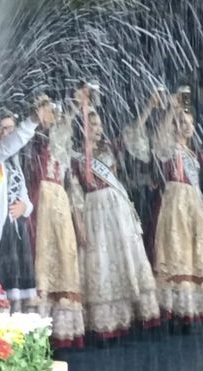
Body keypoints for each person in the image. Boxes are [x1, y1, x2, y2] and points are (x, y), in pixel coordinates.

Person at [71, 88, 160, 339]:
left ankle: (129, 315)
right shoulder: (75, 157)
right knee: (101, 261)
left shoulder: (109, 148)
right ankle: (105, 322)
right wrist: (79, 223)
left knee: (124, 259)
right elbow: (75, 193)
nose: (98, 128)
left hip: (117, 210)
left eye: (99, 124)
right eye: (93, 124)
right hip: (94, 211)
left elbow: (132, 134)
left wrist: (149, 107)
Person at [0, 102, 50, 311]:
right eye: (3, 128)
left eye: (11, 128)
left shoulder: (13, 161)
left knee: (15, 294)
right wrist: (32, 121)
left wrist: (24, 207)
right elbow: (6, 146)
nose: (7, 133)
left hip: (15, 232)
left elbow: (26, 199)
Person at [25, 95, 87, 348]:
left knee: (62, 256)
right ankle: (37, 327)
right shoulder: (34, 138)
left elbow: (63, 134)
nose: (54, 115)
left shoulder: (60, 141)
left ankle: (61, 329)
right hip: (40, 199)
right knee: (42, 256)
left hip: (59, 202)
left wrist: (76, 107)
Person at [151, 96, 203, 325]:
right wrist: (171, 110)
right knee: (176, 252)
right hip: (176, 203)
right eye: (183, 123)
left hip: (193, 205)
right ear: (175, 126)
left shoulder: (192, 154)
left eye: (191, 123)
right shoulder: (171, 148)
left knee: (192, 253)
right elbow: (159, 142)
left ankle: (188, 310)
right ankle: (176, 311)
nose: (188, 127)